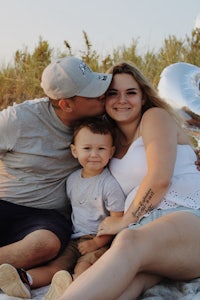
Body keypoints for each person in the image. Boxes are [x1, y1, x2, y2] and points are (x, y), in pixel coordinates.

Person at [55, 62, 200, 300]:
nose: (122, 100)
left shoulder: (155, 117)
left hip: (188, 215)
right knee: (127, 285)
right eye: (113, 93)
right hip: (148, 234)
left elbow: (159, 179)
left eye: (131, 93)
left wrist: (124, 222)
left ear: (143, 97)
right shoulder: (107, 142)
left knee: (129, 241)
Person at [0, 56, 112, 298]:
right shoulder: (18, 119)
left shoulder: (102, 123)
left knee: (47, 244)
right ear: (66, 104)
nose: (102, 95)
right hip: (5, 203)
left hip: (46, 217)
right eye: (92, 93)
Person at [45, 117, 125, 300]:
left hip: (99, 240)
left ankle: (74, 293)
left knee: (83, 268)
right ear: (74, 151)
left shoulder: (110, 185)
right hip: (74, 239)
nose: (94, 154)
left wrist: (96, 243)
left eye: (101, 149)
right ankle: (27, 279)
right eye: (87, 148)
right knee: (57, 266)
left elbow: (117, 221)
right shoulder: (72, 180)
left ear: (111, 152)